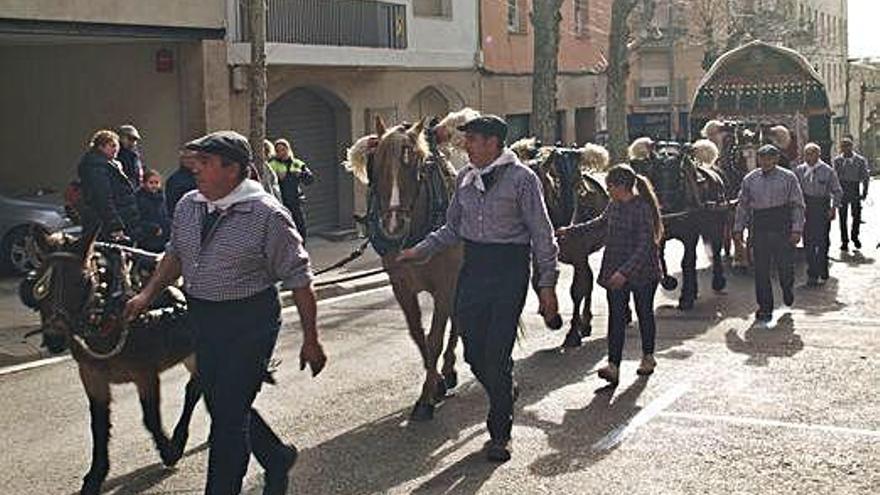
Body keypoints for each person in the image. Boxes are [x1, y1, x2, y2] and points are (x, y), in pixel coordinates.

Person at [123, 130, 327, 495]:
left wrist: (311, 339)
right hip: (202, 318)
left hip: (250, 323)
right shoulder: (189, 204)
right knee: (221, 402)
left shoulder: (267, 215)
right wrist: (147, 293)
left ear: (232, 169)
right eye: (195, 162)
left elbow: (299, 278)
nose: (194, 170)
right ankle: (277, 457)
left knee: (228, 422)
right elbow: (175, 254)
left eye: (204, 163)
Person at [397, 115, 560, 462]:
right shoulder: (465, 181)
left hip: (509, 269)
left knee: (497, 354)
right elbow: (452, 229)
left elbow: (542, 234)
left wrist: (546, 286)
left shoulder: (522, 179)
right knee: (473, 355)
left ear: (492, 143)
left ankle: (500, 434)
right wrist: (419, 250)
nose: (465, 145)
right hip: (474, 269)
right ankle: (504, 388)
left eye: (471, 140)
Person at [557, 165, 664, 385]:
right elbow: (599, 223)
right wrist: (571, 230)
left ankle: (648, 357)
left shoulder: (642, 208)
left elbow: (646, 246)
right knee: (615, 318)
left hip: (643, 272)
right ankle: (613, 365)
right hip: (615, 269)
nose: (607, 191)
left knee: (644, 313)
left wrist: (625, 272)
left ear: (622, 186)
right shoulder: (614, 205)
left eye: (610, 186)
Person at [733, 144, 806, 322]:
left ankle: (787, 289)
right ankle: (765, 307)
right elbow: (743, 205)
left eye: (769, 158)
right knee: (760, 269)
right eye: (762, 158)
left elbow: (797, 205)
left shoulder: (788, 177)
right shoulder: (750, 179)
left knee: (785, 267)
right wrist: (738, 229)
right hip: (759, 226)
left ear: (776, 159)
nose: (765, 161)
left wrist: (797, 229)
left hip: (782, 225)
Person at [77, 129, 141, 242]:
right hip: (105, 224)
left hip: (117, 219)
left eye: (116, 145)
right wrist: (115, 225)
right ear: (101, 147)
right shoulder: (96, 167)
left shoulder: (107, 164)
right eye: (112, 145)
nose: (116, 149)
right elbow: (103, 198)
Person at [794, 143, 842, 286]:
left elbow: (837, 191)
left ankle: (822, 268)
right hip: (806, 207)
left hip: (821, 207)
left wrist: (833, 208)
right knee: (808, 240)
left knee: (822, 241)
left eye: (811, 154)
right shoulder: (799, 171)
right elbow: (795, 191)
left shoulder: (827, 171)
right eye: (806, 154)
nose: (808, 157)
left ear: (818, 155)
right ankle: (812, 273)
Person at [268, 138, 314, 237]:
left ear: (288, 149)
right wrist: (278, 178)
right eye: (278, 151)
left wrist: (300, 174)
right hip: (280, 202)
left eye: (283, 149)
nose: (281, 152)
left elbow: (310, 180)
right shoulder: (272, 164)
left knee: (300, 227)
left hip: (295, 202)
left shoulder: (297, 163)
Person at [832, 137, 870, 250]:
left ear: (851, 147)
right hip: (842, 189)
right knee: (842, 217)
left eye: (847, 146)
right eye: (843, 146)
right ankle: (844, 240)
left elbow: (865, 177)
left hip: (854, 188)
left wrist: (865, 191)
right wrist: (834, 192)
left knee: (856, 215)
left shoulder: (860, 160)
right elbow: (834, 177)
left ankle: (855, 236)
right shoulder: (837, 161)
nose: (845, 149)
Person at [135, 169, 171, 253]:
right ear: (143, 183)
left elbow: (165, 216)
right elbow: (136, 219)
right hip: (147, 239)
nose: (154, 186)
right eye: (151, 183)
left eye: (157, 183)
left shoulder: (161, 198)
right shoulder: (139, 199)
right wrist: (152, 228)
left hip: (163, 239)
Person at [165, 150, 198, 218]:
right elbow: (171, 205)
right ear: (182, 159)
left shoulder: (201, 176)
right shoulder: (174, 180)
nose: (191, 160)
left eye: (193, 158)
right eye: (188, 158)